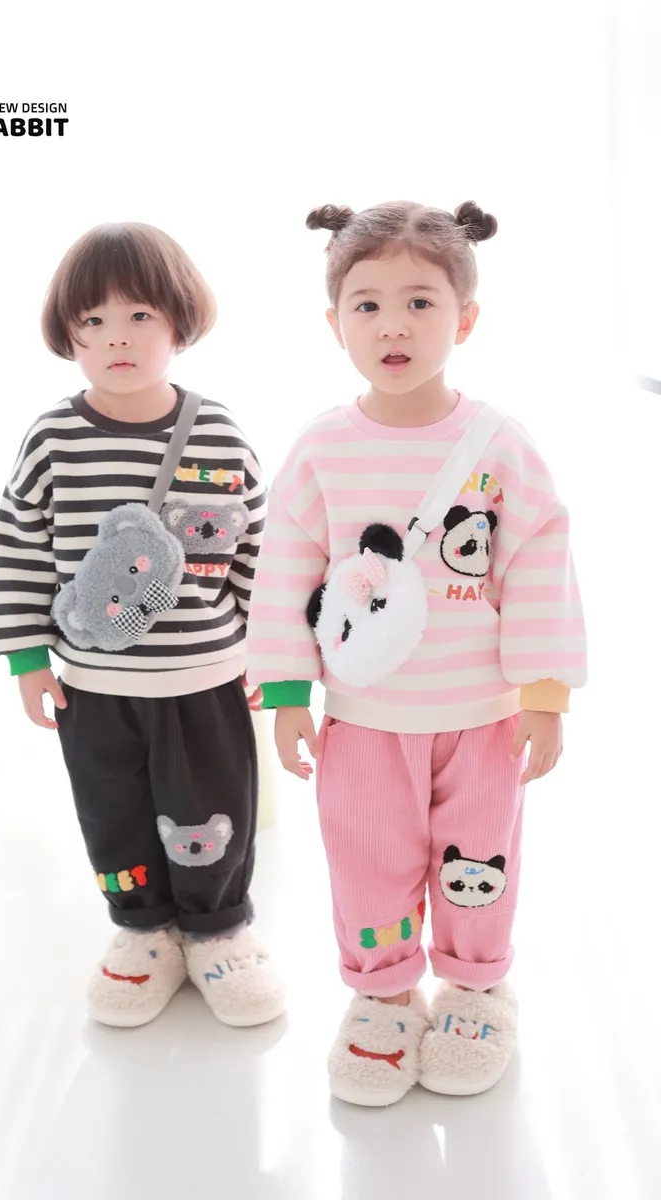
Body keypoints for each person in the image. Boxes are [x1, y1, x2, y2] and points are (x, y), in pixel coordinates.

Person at [246, 199, 586, 1104]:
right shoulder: (322, 446)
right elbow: (285, 571)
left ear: (464, 319)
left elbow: (540, 562)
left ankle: (476, 991)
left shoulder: (500, 445)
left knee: (481, 858)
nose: (392, 325)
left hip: (483, 720)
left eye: (420, 303)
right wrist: (288, 693)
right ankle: (383, 996)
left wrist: (545, 695)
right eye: (367, 305)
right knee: (367, 859)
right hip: (365, 722)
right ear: (335, 324)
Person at [0, 222, 284, 1029]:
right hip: (93, 686)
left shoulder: (220, 433)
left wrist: (271, 654)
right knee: (111, 810)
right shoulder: (52, 438)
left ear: (179, 321)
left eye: (139, 316)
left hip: (205, 680)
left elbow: (258, 555)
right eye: (94, 320)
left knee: (212, 810)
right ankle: (143, 930)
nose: (116, 337)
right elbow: (18, 548)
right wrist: (25, 657)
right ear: (69, 334)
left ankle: (220, 931)